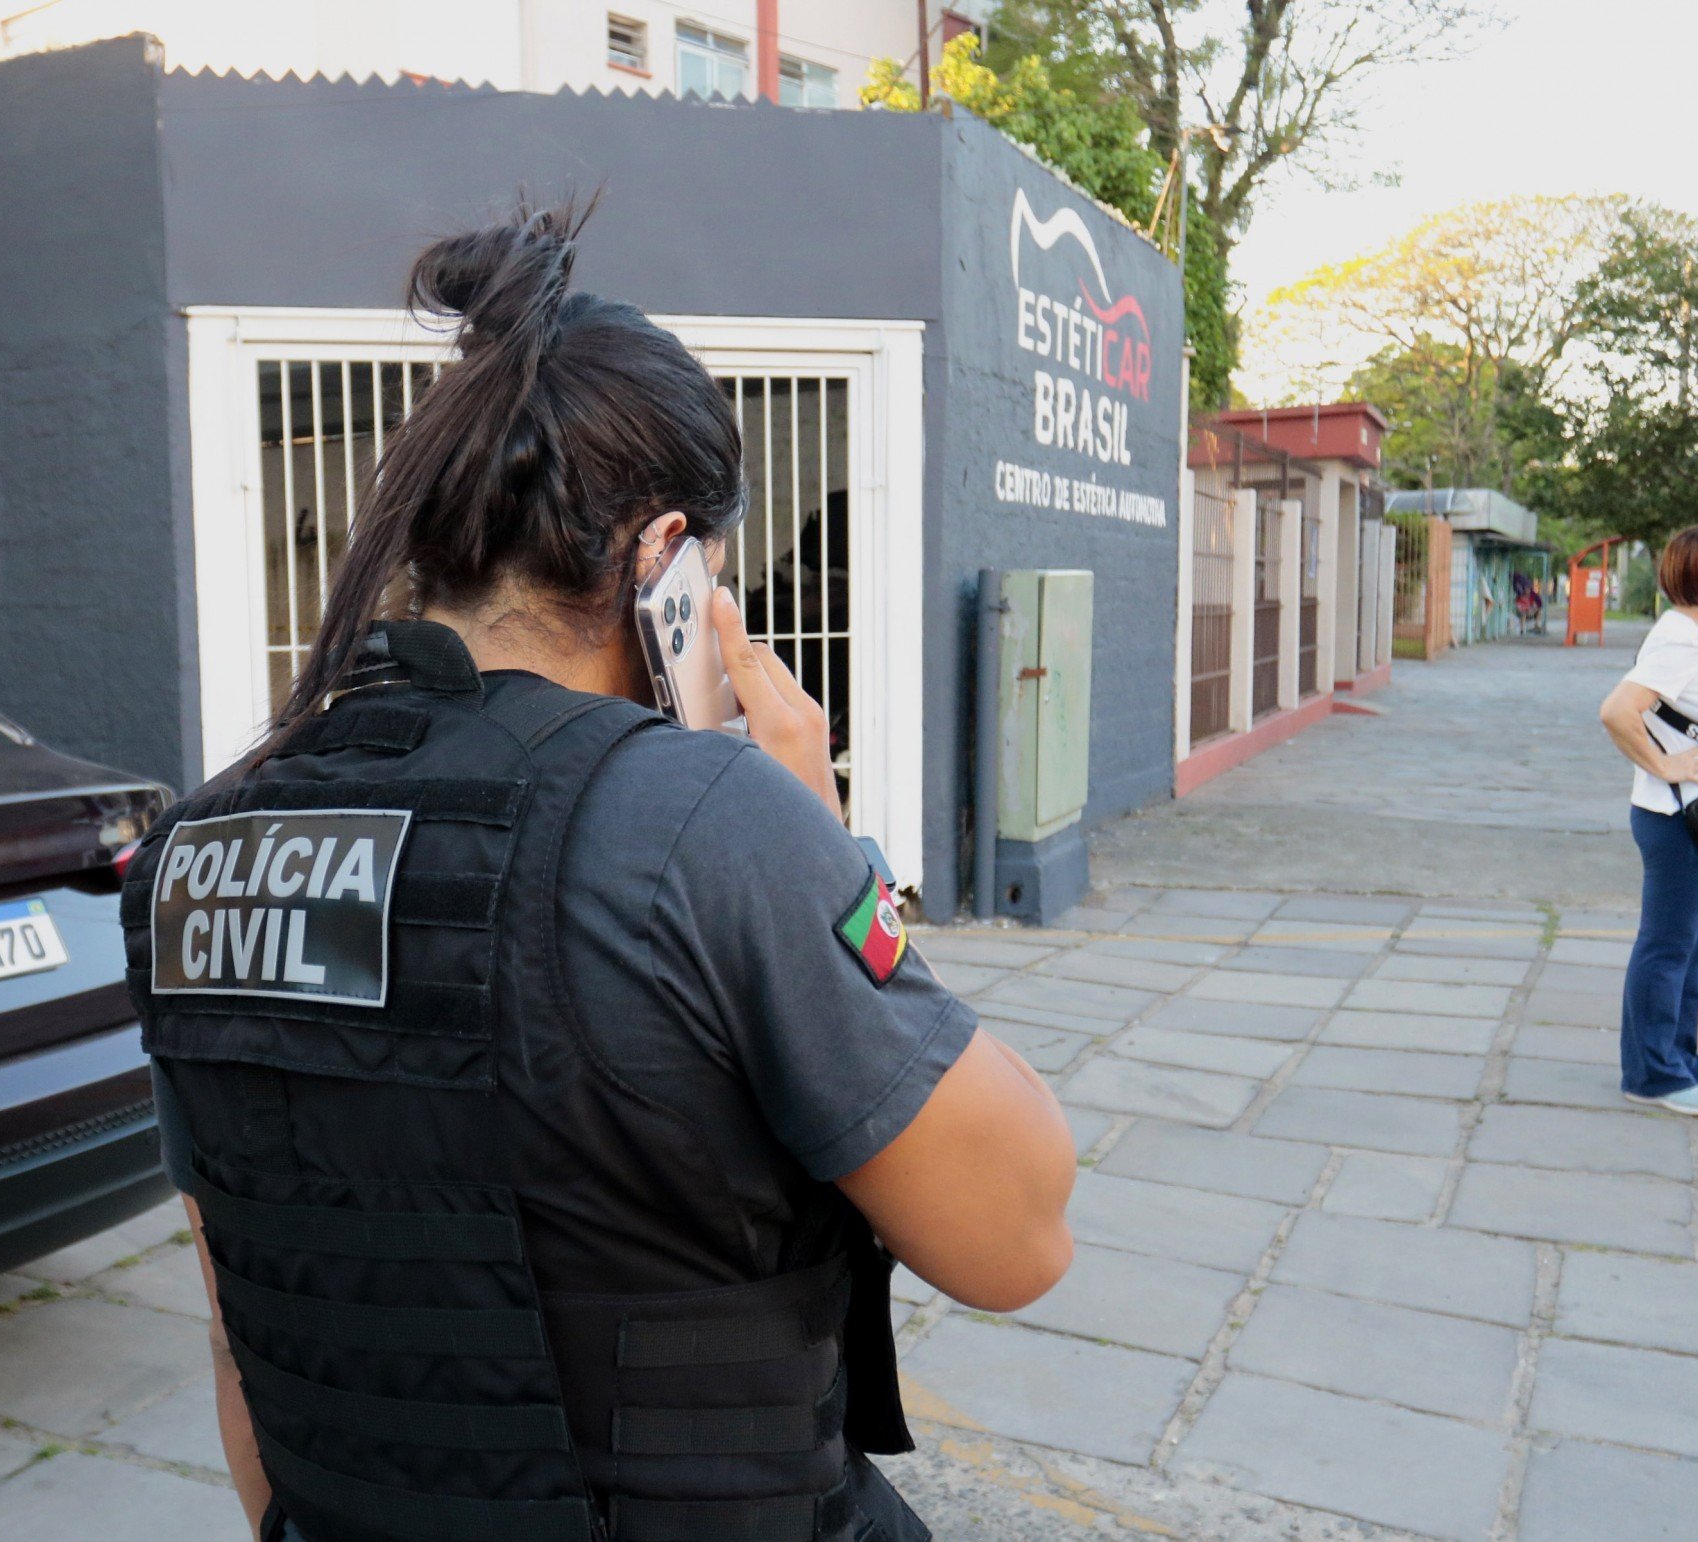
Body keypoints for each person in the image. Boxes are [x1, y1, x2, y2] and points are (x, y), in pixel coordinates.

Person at [122, 200, 1076, 1542]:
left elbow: (246, 1345)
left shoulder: (196, 852)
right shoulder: (706, 824)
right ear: (666, 564)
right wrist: (820, 828)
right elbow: (1017, 1234)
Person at [1596, 523, 1698, 1116]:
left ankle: (1681, 1059)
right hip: (1677, 820)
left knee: (1695, 945)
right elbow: (1617, 711)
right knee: (1667, 947)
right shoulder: (1680, 640)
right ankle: (1651, 1073)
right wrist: (1664, 766)